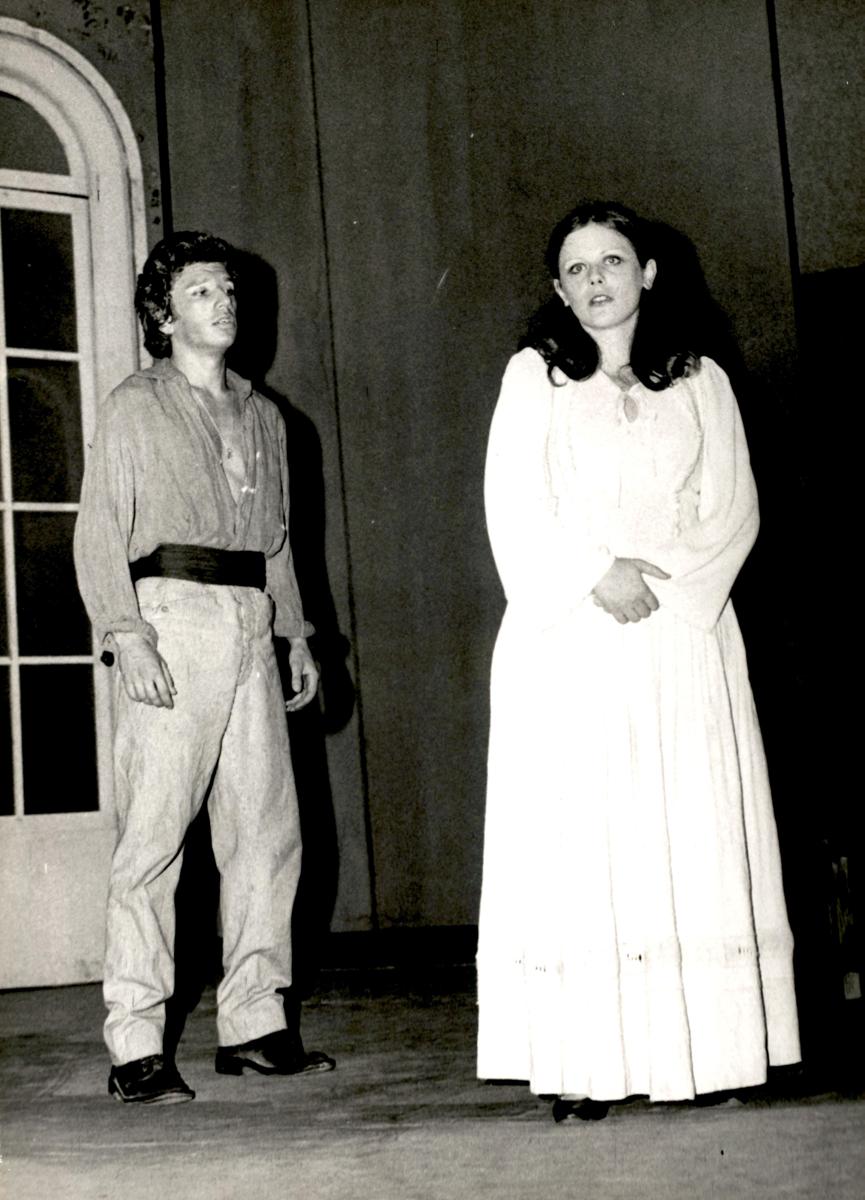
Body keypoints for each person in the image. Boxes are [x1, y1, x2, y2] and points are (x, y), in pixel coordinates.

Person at [476, 201, 800, 1121]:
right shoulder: (534, 376)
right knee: (584, 840)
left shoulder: (698, 379)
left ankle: (710, 1054)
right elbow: (511, 504)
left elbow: (735, 509)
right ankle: (585, 1063)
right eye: (576, 269)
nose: (595, 281)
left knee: (687, 831)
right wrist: (594, 574)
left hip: (681, 634)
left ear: (646, 273)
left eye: (611, 262)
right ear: (556, 288)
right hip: (569, 636)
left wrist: (667, 591)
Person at [74, 231, 335, 1104]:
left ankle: (255, 1024)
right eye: (200, 292)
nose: (222, 304)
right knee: (153, 838)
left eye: (228, 291)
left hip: (251, 619)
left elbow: (279, 543)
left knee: (265, 833)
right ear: (162, 314)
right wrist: (127, 633)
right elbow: (100, 528)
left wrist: (294, 634)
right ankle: (136, 1042)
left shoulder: (266, 416)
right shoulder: (135, 405)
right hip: (170, 615)